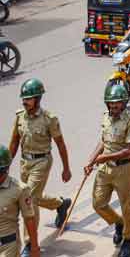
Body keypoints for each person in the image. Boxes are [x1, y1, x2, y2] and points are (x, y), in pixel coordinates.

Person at [9, 79, 70, 257]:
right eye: (23, 99)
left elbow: (61, 144)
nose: (24, 102)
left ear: (38, 98)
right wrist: (5, 166)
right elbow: (14, 141)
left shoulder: (49, 119)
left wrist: (66, 168)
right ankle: (60, 203)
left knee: (29, 200)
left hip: (42, 162)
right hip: (25, 162)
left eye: (28, 99)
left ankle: (29, 243)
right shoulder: (20, 116)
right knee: (29, 195)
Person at [84, 84, 130, 257]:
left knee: (127, 206)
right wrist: (91, 160)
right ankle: (118, 223)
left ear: (124, 103)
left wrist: (105, 158)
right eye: (111, 103)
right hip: (105, 170)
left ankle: (129, 239)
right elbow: (103, 142)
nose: (113, 106)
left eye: (117, 103)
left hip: (125, 170)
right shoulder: (105, 118)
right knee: (98, 203)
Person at [0, 144, 40, 257]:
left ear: (6, 170)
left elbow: (29, 219)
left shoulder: (20, 190)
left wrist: (34, 247)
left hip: (8, 246)